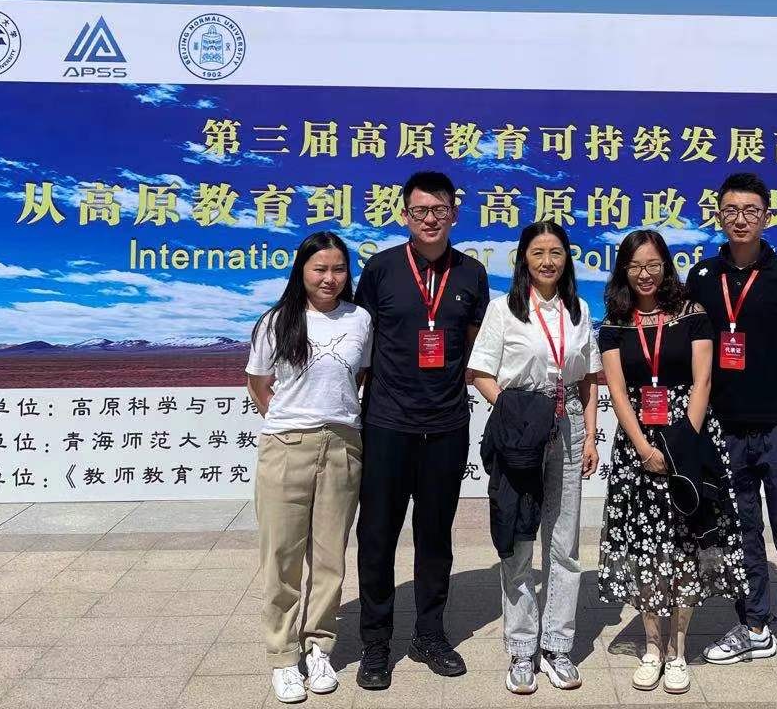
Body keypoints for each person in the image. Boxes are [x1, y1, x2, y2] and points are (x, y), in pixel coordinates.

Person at [689, 172, 777, 700]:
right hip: (725, 430)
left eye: (750, 209)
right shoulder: (703, 276)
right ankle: (754, 627)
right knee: (741, 534)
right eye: (731, 209)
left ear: (766, 216)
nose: (740, 218)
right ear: (718, 215)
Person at [353, 170, 490, 690]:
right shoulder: (381, 269)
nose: (429, 219)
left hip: (447, 425)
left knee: (435, 538)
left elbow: (477, 348)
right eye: (419, 211)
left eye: (438, 210)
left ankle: (429, 635)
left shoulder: (471, 274)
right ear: (404, 215)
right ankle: (375, 643)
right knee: (377, 536)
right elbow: (359, 345)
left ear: (454, 213)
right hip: (387, 424)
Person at [596, 229, 747, 696]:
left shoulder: (692, 314)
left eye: (653, 264)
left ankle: (678, 650)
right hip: (637, 446)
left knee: (685, 544)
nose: (644, 274)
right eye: (635, 266)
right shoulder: (614, 324)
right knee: (647, 547)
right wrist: (645, 448)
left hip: (690, 439)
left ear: (666, 266)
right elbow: (618, 392)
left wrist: (683, 444)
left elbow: (703, 382)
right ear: (624, 270)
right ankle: (651, 647)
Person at [468, 221, 601, 695]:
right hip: (522, 432)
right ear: (523, 258)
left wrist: (590, 436)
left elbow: (588, 378)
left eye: (556, 252)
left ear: (567, 259)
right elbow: (480, 371)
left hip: (567, 429)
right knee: (520, 539)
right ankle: (522, 647)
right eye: (538, 252)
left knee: (564, 544)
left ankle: (558, 645)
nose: (547, 261)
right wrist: (512, 411)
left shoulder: (579, 310)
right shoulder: (504, 309)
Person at [247, 231, 373, 704]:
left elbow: (360, 375)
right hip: (286, 447)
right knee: (280, 557)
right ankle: (283, 656)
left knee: (329, 559)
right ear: (301, 270)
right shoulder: (277, 321)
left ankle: (320, 646)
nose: (329, 278)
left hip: (342, 445)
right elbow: (258, 383)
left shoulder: (360, 319)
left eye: (338, 269)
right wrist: (289, 423)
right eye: (319, 268)